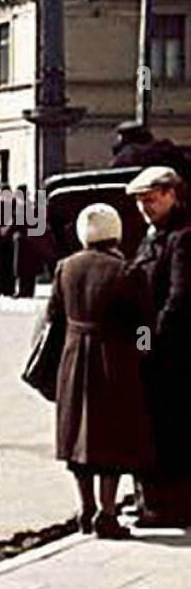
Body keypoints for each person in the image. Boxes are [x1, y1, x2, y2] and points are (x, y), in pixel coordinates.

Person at [45, 204, 154, 539]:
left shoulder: (65, 268)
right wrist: (144, 355)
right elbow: (143, 325)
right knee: (113, 436)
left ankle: (86, 507)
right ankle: (108, 514)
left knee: (77, 436)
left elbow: (53, 318)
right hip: (115, 360)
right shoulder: (127, 271)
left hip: (74, 357)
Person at [127, 165, 191, 526]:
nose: (144, 208)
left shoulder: (182, 238)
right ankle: (155, 501)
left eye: (150, 200)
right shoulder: (153, 235)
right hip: (152, 349)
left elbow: (179, 300)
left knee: (172, 430)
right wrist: (140, 344)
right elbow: (140, 297)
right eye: (139, 202)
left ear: (170, 194)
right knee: (153, 427)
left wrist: (150, 345)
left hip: (176, 355)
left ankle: (171, 507)